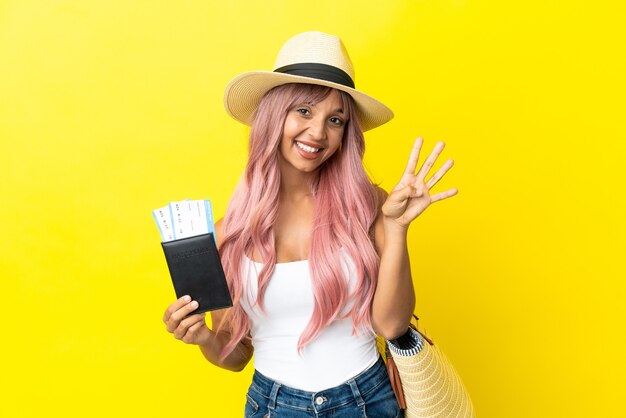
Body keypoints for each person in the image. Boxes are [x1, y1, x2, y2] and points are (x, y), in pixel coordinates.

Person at [162, 31, 457, 417]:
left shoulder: (371, 207)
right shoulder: (226, 234)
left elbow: (391, 324)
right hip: (272, 406)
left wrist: (398, 229)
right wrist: (202, 337)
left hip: (367, 401)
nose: (318, 132)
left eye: (335, 119)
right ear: (273, 116)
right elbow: (236, 357)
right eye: (303, 111)